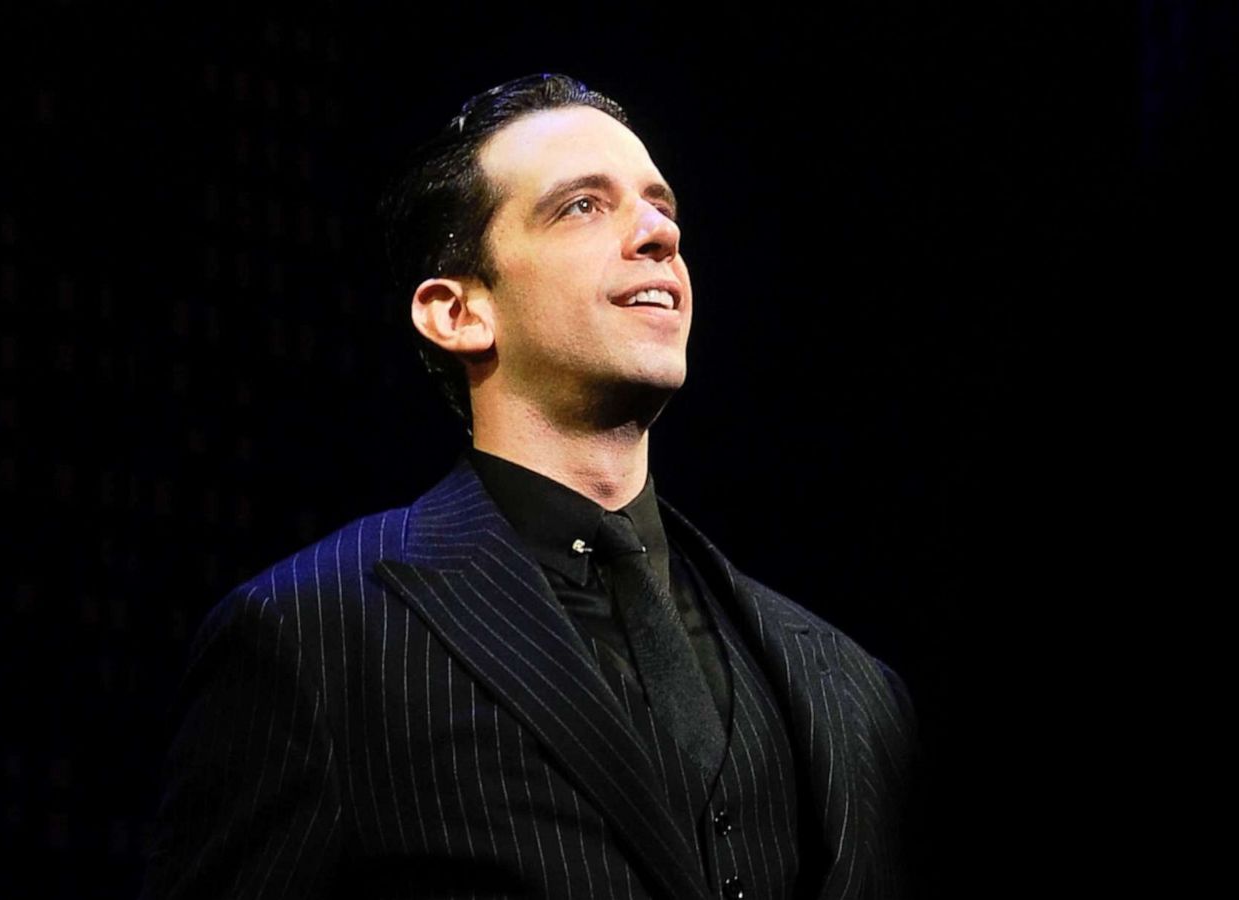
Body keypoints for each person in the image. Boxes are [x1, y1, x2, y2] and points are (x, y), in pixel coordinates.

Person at [140, 73, 918, 900]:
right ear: (458, 312)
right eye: (583, 205)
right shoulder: (314, 636)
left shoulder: (856, 687)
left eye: (662, 207)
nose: (658, 234)